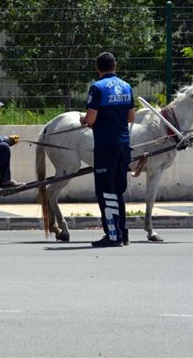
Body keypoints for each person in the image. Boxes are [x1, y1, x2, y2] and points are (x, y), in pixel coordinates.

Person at [80, 52, 135, 247]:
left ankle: (113, 235)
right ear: (115, 65)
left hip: (105, 145)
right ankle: (123, 233)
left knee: (106, 191)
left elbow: (91, 119)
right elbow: (131, 117)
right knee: (119, 190)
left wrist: (84, 120)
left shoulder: (98, 87)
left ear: (98, 68)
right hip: (123, 145)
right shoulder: (127, 86)